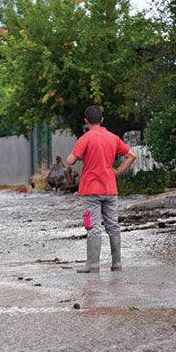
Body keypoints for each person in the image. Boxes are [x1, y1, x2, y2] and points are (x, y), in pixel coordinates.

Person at [67, 105, 137, 272]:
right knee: (113, 225)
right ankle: (117, 264)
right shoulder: (113, 137)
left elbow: (70, 161)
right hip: (110, 189)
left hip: (90, 190)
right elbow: (131, 156)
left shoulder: (85, 138)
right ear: (102, 120)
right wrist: (117, 172)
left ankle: (93, 265)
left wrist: (80, 156)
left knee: (93, 226)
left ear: (86, 121)